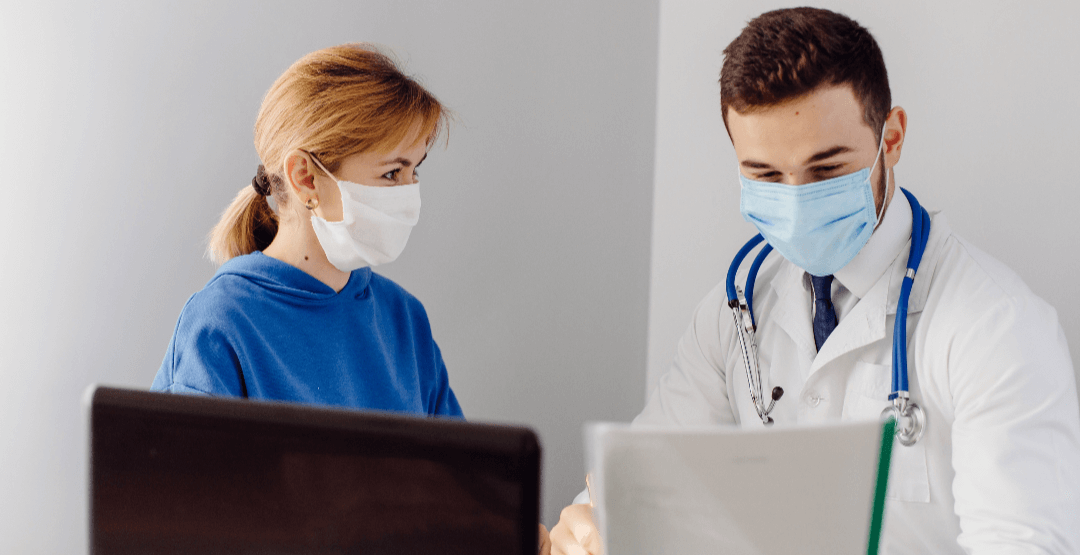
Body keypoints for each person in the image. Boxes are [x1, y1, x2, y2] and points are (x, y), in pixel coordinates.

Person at [547, 7, 1080, 554]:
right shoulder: (735, 311)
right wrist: (589, 530)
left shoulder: (998, 328)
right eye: (765, 175)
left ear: (891, 138)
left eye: (826, 170)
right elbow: (640, 486)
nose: (797, 201)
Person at [151, 44, 462, 418]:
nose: (410, 194)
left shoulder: (404, 321)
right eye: (392, 173)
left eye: (415, 170)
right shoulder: (221, 325)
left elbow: (455, 458)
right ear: (305, 178)